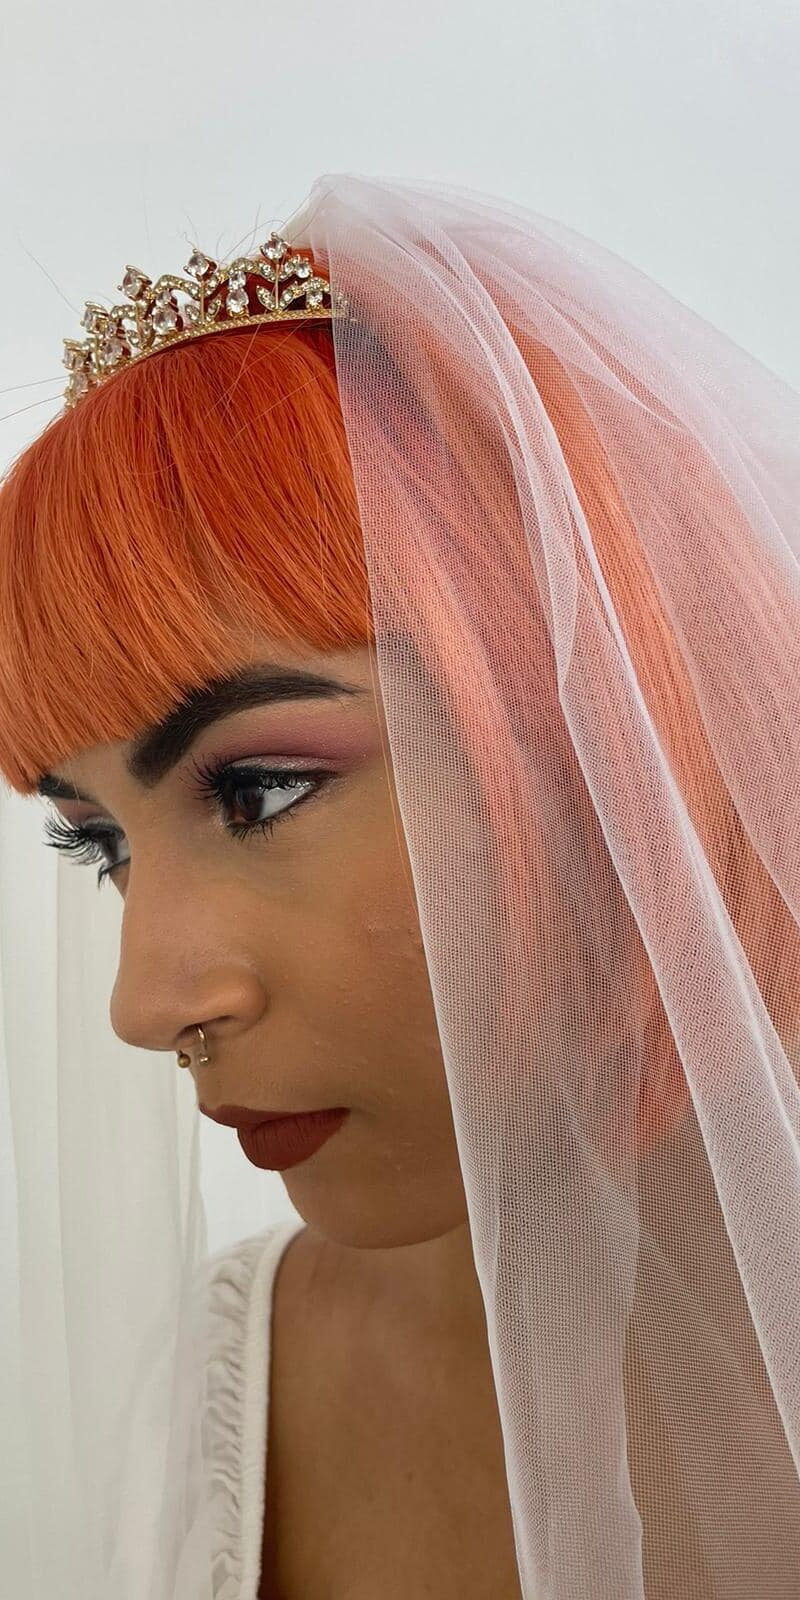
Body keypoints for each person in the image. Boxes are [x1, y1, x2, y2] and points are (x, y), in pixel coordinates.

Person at [1, 173, 799, 1599]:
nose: (147, 1003)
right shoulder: (218, 1393)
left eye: (260, 791)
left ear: (605, 735)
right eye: (101, 845)